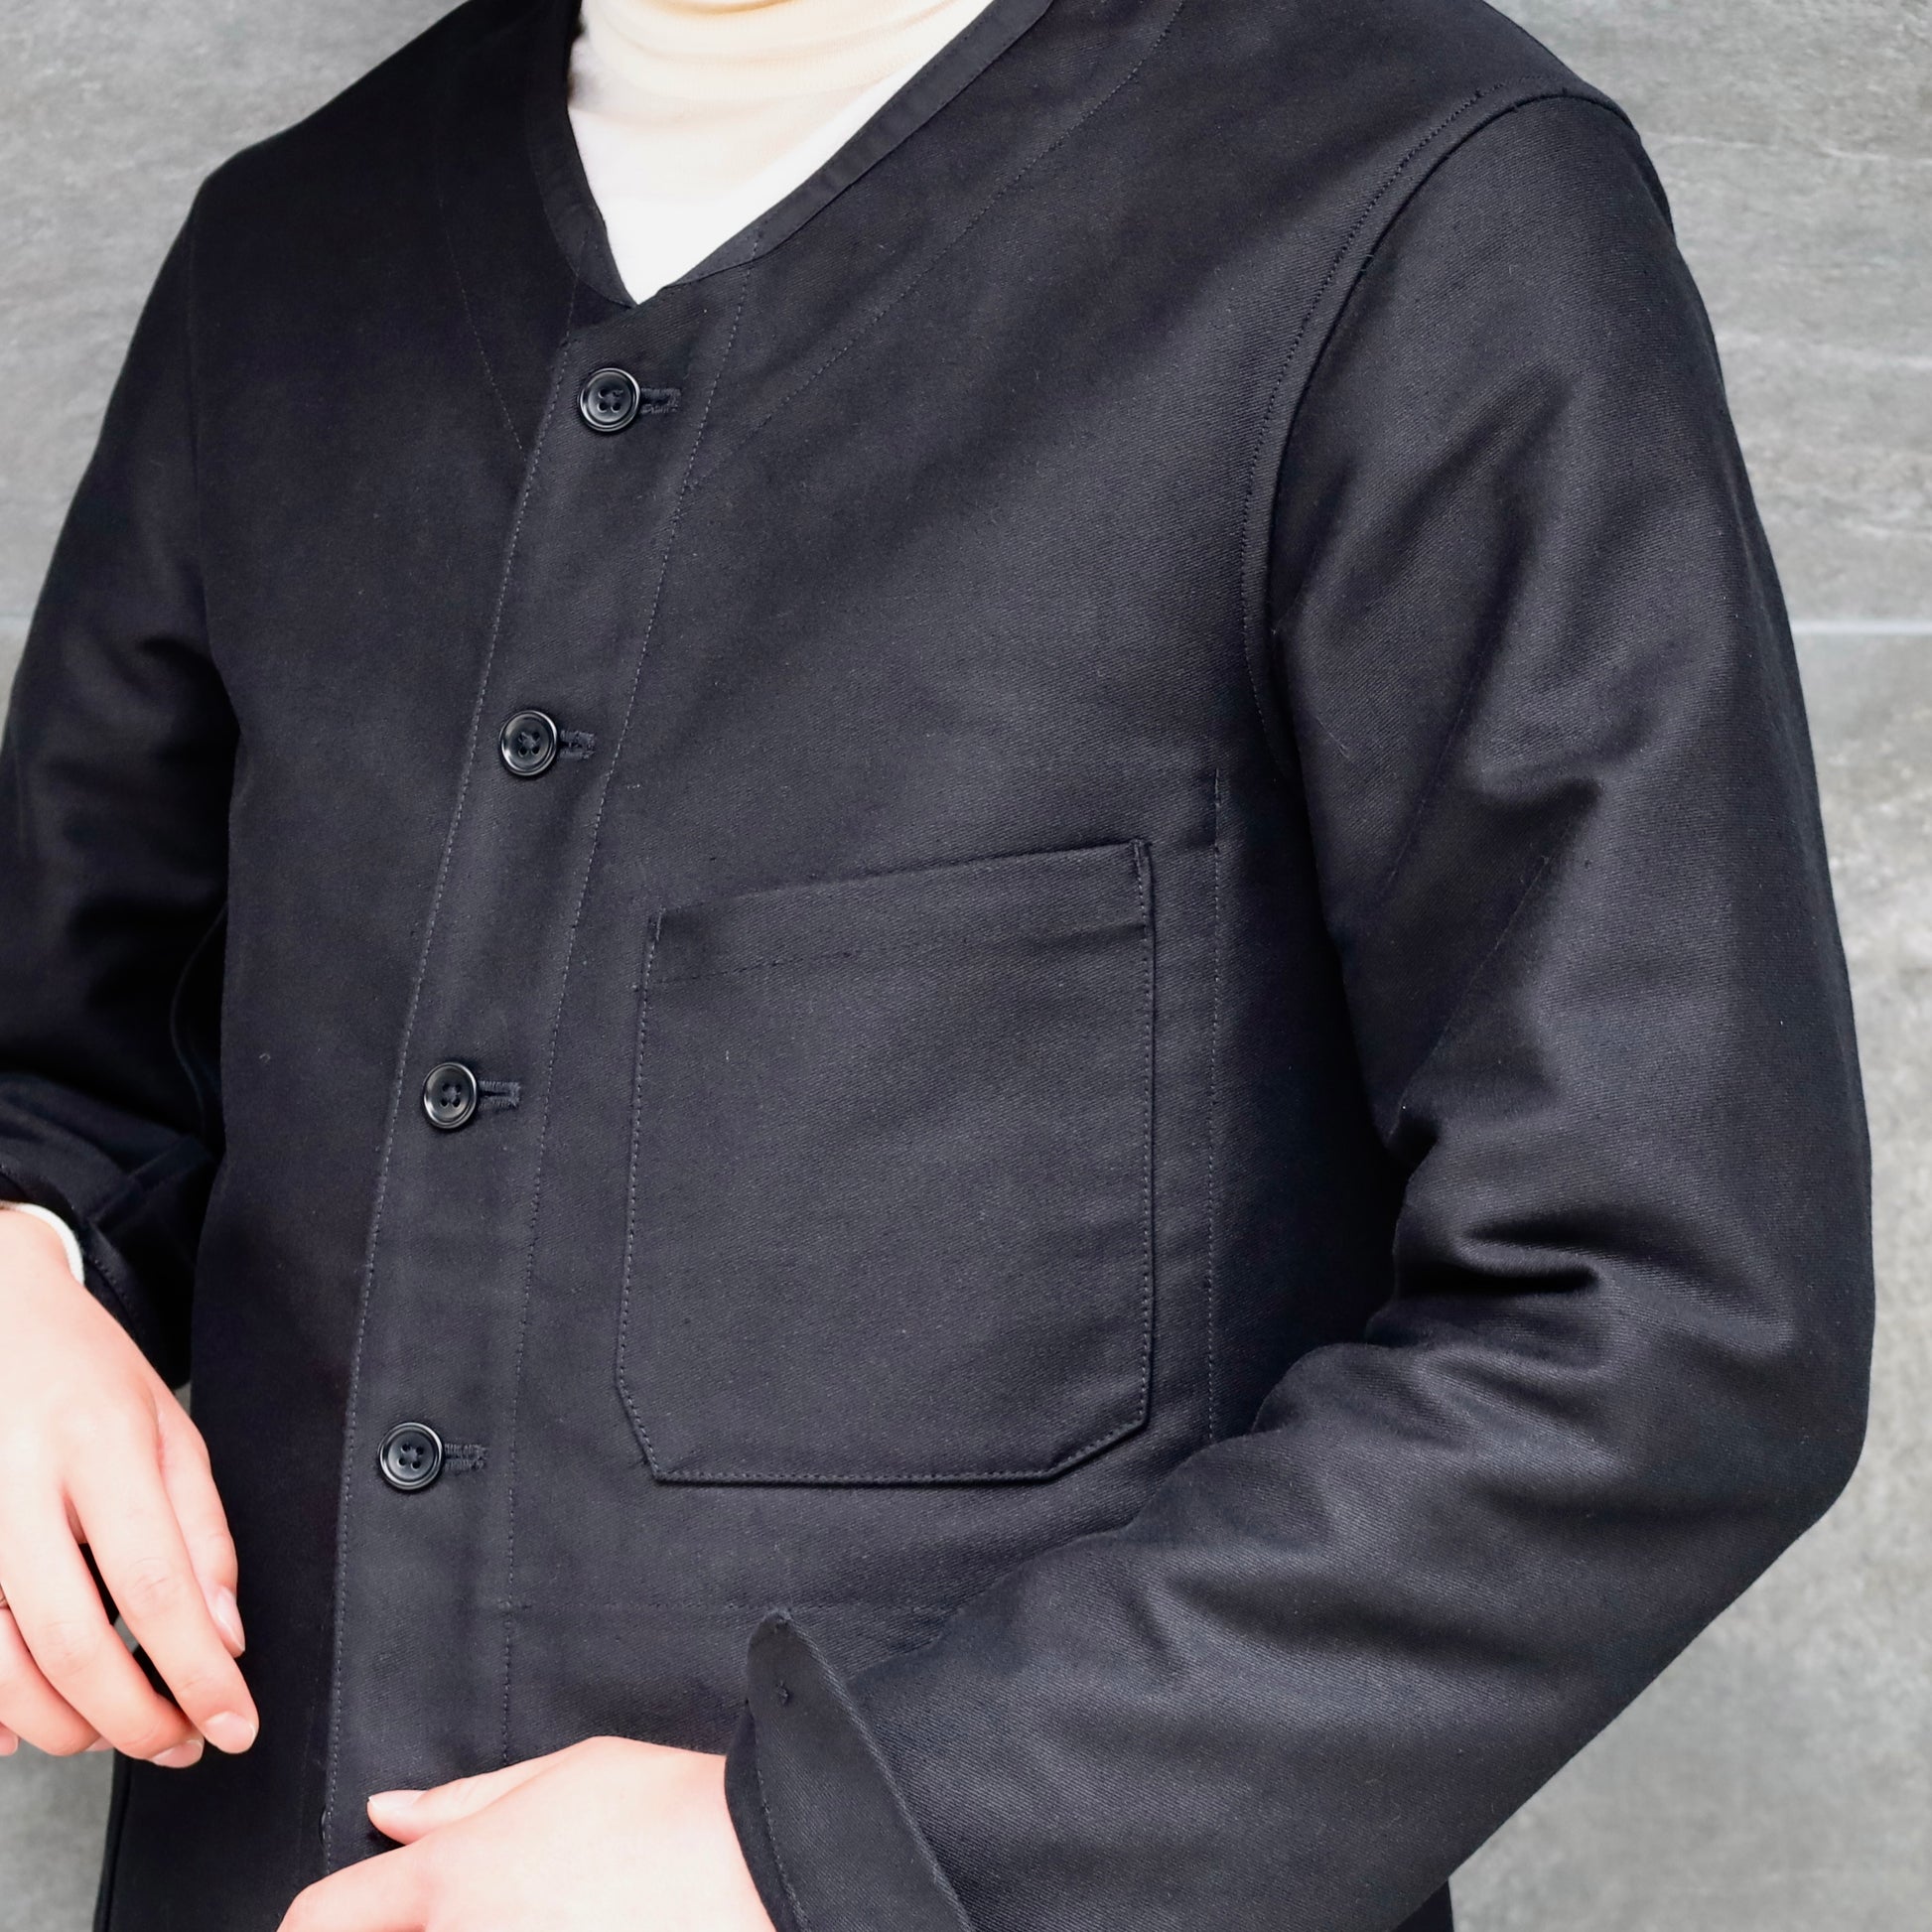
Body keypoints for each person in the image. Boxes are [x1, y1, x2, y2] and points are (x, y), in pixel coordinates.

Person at [0, 0, 1874, 1924]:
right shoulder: (284, 258)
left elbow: (1666, 1314)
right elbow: (72, 1070)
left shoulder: (1411, 199)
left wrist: (832, 1852)